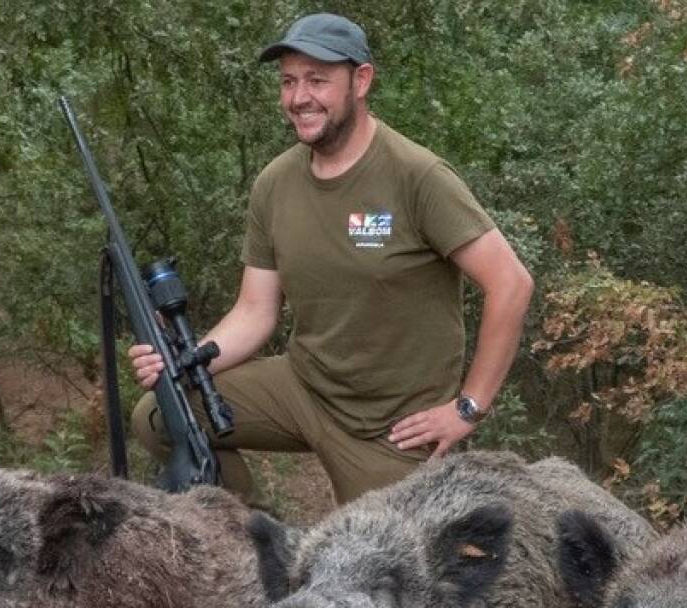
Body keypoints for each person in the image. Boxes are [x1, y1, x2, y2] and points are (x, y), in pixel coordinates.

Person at [129, 12, 534, 507]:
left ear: (360, 81)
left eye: (317, 80)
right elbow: (255, 311)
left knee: (378, 569)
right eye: (288, 81)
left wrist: (468, 408)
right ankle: (254, 540)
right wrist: (185, 363)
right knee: (160, 414)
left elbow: (511, 284)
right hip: (302, 387)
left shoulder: (417, 175)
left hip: (391, 427)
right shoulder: (274, 184)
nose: (299, 98)